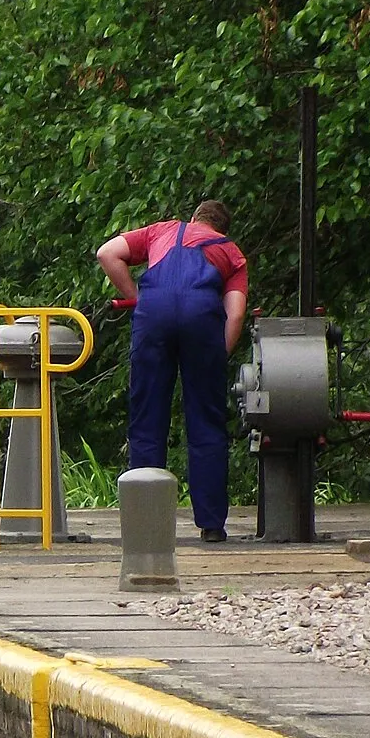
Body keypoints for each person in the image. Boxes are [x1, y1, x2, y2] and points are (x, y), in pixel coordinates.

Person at [96, 200, 249, 541]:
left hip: (154, 317)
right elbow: (236, 315)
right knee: (206, 421)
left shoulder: (161, 230)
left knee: (147, 415)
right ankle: (210, 525)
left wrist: (139, 298)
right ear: (221, 228)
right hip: (202, 320)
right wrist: (215, 356)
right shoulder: (230, 251)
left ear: (195, 218)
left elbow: (107, 253)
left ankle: (145, 525)